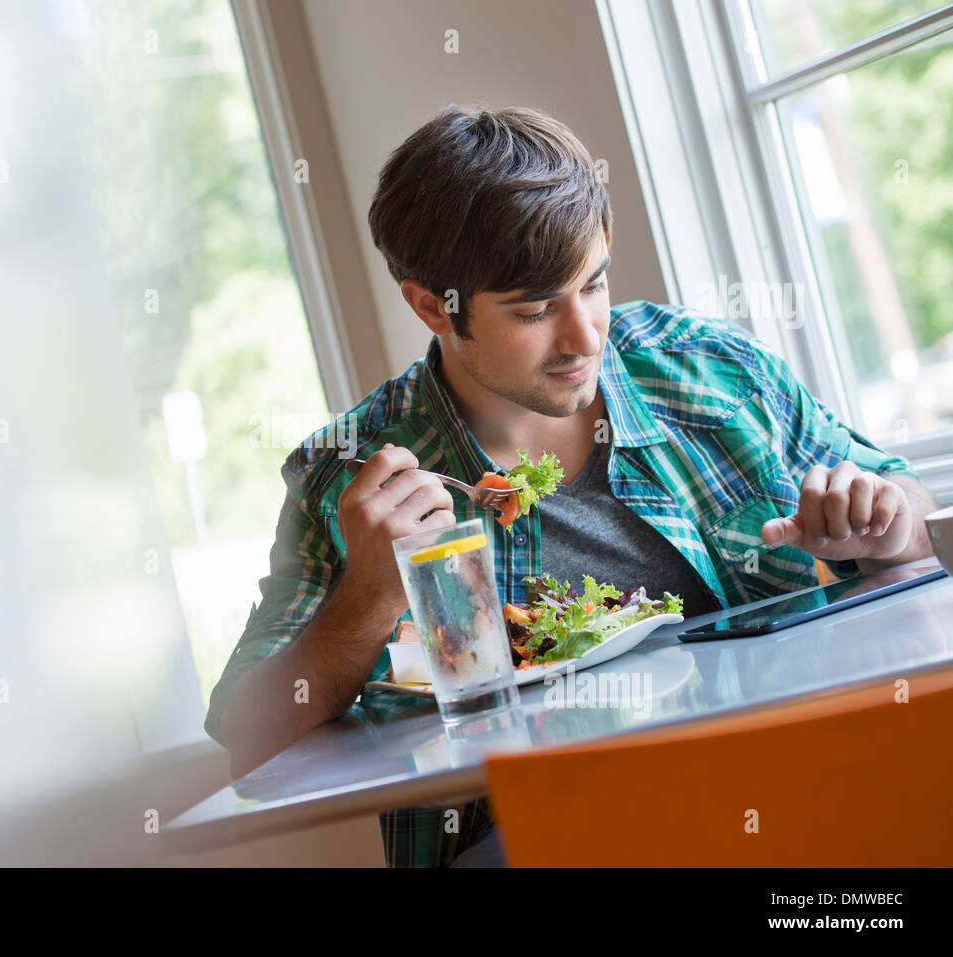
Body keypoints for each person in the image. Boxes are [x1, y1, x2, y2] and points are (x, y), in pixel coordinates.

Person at [202, 105, 940, 867]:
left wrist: (887, 524)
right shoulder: (349, 473)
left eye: (593, 285)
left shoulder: (712, 370)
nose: (585, 337)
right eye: (533, 309)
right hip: (546, 833)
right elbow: (251, 745)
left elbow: (905, 506)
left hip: (788, 788)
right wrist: (367, 598)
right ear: (431, 304)